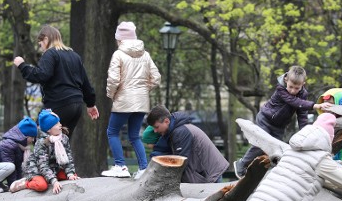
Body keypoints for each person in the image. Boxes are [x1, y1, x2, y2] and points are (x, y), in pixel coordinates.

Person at [233, 66, 332, 178]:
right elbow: (294, 101)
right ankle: (241, 164)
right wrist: (315, 106)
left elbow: (302, 114)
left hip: (279, 126)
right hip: (265, 119)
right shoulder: (281, 89)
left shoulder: (303, 94)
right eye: (291, 87)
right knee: (261, 143)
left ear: (303, 84)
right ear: (286, 80)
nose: (293, 91)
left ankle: (266, 174)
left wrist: (306, 134)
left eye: (297, 88)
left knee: (276, 151)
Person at [12, 25, 99, 139]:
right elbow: (85, 83)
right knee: (63, 143)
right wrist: (90, 104)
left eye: (41, 44)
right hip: (76, 105)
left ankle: (46, 157)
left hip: (58, 104)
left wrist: (22, 66)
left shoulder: (50, 53)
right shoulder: (75, 56)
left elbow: (41, 75)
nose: (42, 48)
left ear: (46, 39)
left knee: (39, 137)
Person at [102, 21, 161, 179]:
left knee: (112, 132)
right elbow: (156, 78)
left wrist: (111, 94)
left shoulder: (118, 54)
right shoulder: (146, 54)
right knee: (134, 136)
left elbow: (113, 80)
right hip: (141, 101)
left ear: (120, 38)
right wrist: (143, 90)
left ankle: (120, 166)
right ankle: (143, 169)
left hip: (124, 99)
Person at [146, 105, 229, 183]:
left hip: (209, 176)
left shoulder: (180, 132)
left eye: (157, 127)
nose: (155, 131)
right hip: (206, 174)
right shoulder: (175, 130)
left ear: (166, 121)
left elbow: (180, 163)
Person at [10, 109, 78, 194]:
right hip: (37, 170)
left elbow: (68, 157)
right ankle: (26, 183)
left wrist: (70, 173)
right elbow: (43, 165)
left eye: (59, 122)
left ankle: (54, 177)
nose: (60, 125)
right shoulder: (41, 143)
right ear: (49, 129)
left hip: (54, 169)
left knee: (72, 176)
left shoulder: (63, 139)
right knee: (42, 186)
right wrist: (54, 181)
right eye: (56, 124)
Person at [0, 117, 38, 194]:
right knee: (10, 166)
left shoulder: (20, 146)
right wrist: (13, 186)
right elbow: (11, 167)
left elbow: (18, 167)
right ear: (25, 136)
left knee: (12, 166)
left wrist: (18, 184)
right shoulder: (9, 144)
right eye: (32, 137)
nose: (33, 140)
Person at [318, 88, 342, 164]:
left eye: (330, 105)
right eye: (325, 104)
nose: (326, 108)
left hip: (339, 156)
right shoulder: (321, 120)